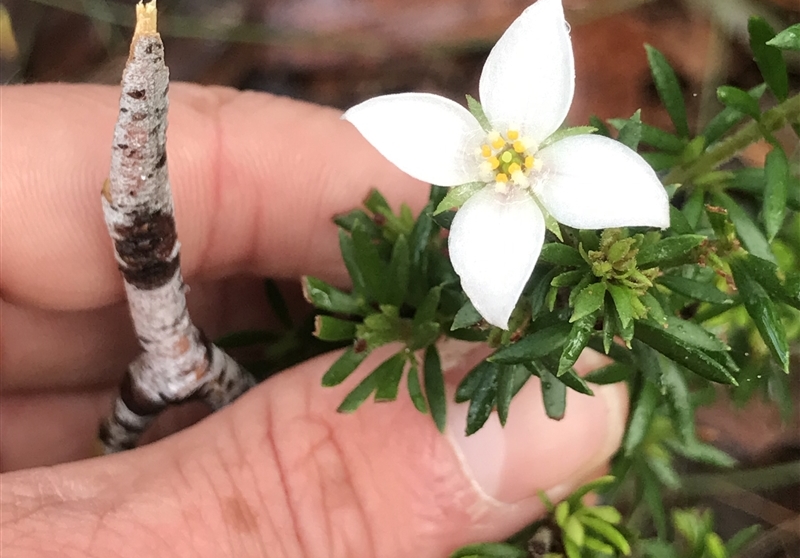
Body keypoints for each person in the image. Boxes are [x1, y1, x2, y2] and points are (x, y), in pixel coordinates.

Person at [1, 83, 627, 558]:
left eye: (512, 154)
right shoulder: (470, 171)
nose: (508, 155)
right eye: (505, 150)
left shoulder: (567, 191)